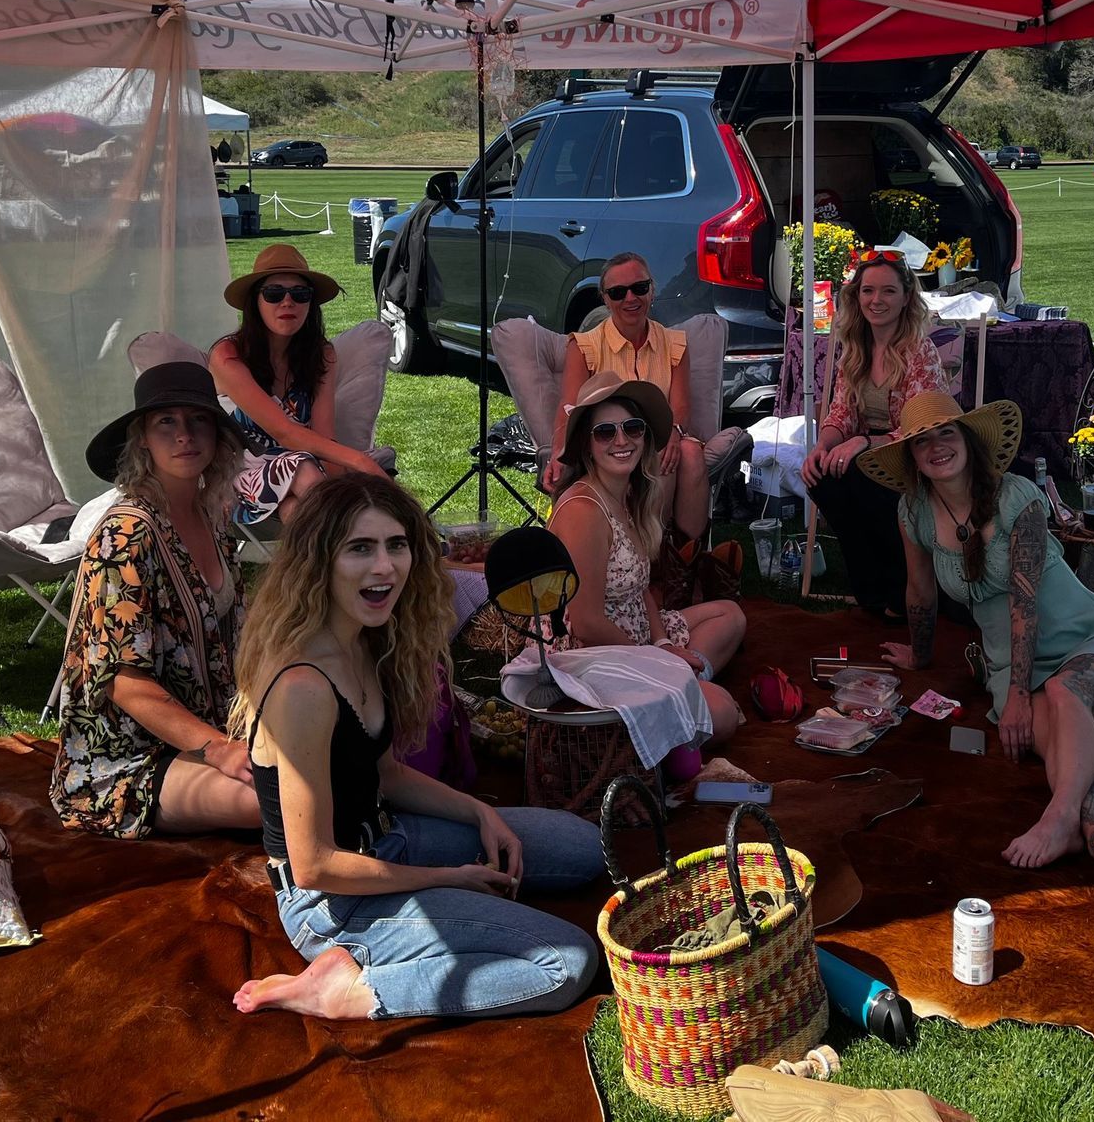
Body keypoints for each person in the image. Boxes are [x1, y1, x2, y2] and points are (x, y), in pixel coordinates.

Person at [230, 473, 604, 1021]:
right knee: (566, 962)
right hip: (331, 901)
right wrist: (450, 879)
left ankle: (406, 930)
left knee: (584, 848)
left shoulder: (367, 642)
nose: (385, 567)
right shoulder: (302, 687)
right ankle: (348, 992)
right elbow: (313, 866)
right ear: (319, 560)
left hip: (390, 840)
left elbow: (387, 776)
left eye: (396, 545)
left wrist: (482, 815)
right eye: (360, 548)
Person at [860, 392, 1094, 876]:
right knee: (1059, 741)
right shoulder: (913, 510)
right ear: (911, 457)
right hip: (1009, 662)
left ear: (969, 439)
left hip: (1089, 639)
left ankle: (1057, 820)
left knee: (1062, 691)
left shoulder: (1020, 498)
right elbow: (920, 590)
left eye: (946, 433)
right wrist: (920, 654)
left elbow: (1025, 602)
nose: (936, 447)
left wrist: (1017, 695)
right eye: (922, 441)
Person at [51, 361, 260, 837]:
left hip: (218, 728)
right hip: (132, 758)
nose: (184, 434)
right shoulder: (124, 536)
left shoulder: (213, 517)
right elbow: (125, 684)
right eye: (166, 421)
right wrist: (219, 750)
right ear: (142, 437)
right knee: (289, 799)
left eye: (199, 419)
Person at [546, 373, 745, 744]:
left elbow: (639, 589)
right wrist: (657, 660)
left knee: (730, 615)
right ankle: (677, 697)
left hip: (635, 637)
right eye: (605, 432)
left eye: (632, 428)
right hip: (594, 655)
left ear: (644, 437)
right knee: (723, 714)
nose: (621, 441)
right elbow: (586, 624)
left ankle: (679, 693)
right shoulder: (583, 510)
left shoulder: (627, 495)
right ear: (587, 446)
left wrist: (663, 644)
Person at [800, 252, 947, 620]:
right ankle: (870, 588)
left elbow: (923, 427)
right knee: (821, 478)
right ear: (856, 296)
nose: (876, 301)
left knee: (864, 482)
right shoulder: (856, 347)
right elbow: (841, 413)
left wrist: (863, 442)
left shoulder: (918, 350)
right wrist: (823, 446)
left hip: (917, 451)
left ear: (906, 298)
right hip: (868, 452)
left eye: (887, 292)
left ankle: (900, 590)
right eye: (868, 291)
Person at [209, 243, 382, 527]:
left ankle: (325, 567)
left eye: (300, 294)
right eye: (274, 293)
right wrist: (362, 462)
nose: (287, 302)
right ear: (255, 302)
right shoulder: (228, 355)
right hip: (240, 476)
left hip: (303, 476)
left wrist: (339, 483)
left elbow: (325, 435)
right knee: (301, 468)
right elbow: (284, 432)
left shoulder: (321, 354)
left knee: (295, 511)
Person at [545, 252, 709, 543]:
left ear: (652, 290)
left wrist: (673, 430)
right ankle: (650, 550)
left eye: (640, 288)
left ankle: (685, 559)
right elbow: (569, 408)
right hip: (611, 439)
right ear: (605, 300)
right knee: (654, 454)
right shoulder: (585, 346)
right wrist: (559, 455)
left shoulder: (674, 343)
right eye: (619, 293)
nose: (630, 298)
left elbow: (681, 405)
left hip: (658, 434)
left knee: (691, 454)